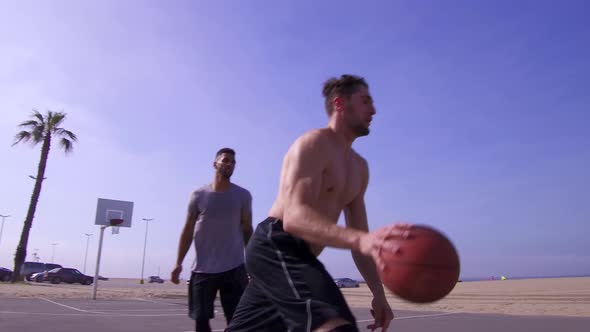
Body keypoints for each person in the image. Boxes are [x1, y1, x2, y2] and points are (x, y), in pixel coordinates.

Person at [225, 74, 412, 332]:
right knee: (334, 324)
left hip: (295, 261)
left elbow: (361, 241)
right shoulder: (314, 144)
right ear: (340, 104)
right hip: (276, 243)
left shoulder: (360, 168)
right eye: (365, 101)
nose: (374, 109)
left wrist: (378, 294)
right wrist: (359, 240)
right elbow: (294, 217)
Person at [171, 147, 253, 332]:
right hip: (202, 270)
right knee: (201, 322)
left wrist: (253, 264)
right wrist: (178, 263)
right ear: (215, 164)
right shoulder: (199, 195)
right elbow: (188, 229)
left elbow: (248, 230)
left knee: (237, 322)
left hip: (234, 268)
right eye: (225, 160)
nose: (229, 164)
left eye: (232, 161)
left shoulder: (243, 196)